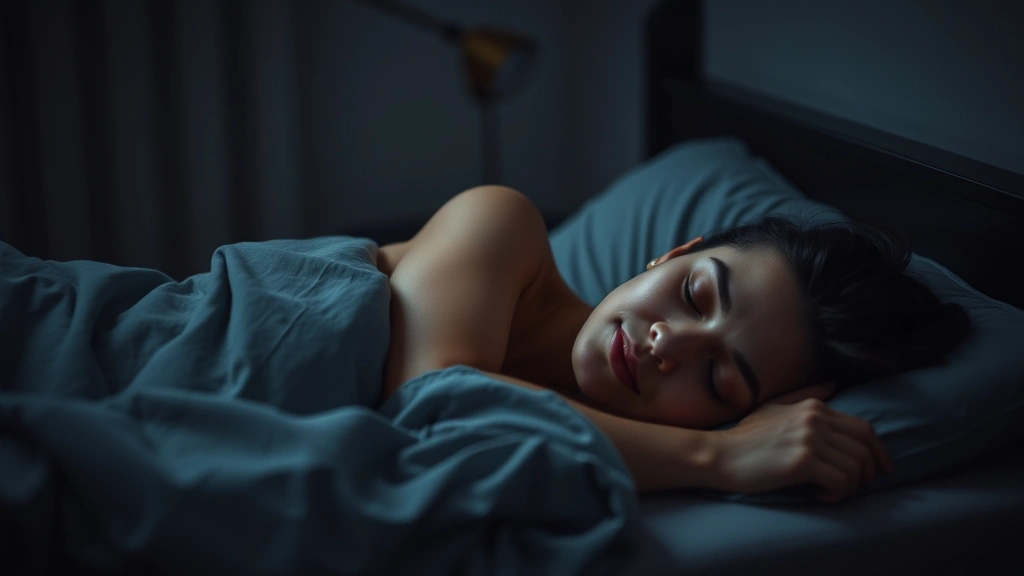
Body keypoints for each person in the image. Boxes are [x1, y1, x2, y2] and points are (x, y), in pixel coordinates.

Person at [375, 185, 969, 503]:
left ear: (748, 414)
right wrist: (725, 458)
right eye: (694, 293)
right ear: (677, 252)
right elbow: (431, 401)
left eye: (716, 380)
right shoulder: (501, 224)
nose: (668, 343)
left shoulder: (617, 467)